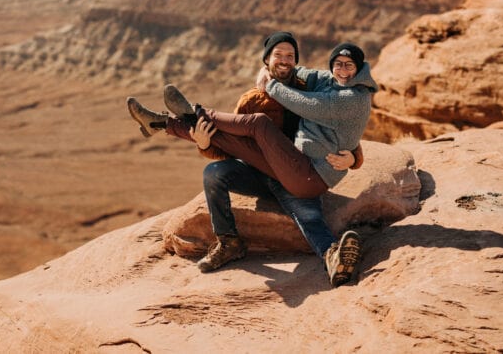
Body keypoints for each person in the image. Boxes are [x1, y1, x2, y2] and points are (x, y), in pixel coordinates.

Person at [126, 33, 376, 286]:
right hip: (262, 171)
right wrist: (203, 143)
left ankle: (174, 120)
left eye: (290, 56)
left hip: (298, 173)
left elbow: (343, 131)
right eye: (278, 55)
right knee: (215, 172)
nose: (285, 60)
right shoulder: (252, 99)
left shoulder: (308, 88)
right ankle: (229, 243)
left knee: (310, 218)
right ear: (266, 60)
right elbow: (231, 145)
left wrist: (354, 158)